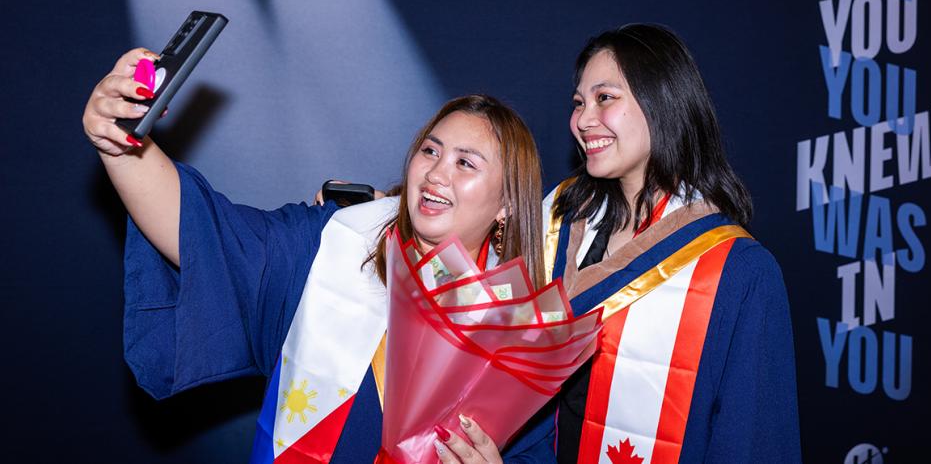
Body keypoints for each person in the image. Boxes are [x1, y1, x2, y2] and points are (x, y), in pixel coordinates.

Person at [82, 48, 553, 463]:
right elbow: (209, 232)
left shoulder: (519, 325)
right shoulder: (334, 241)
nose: (436, 173)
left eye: (465, 163)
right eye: (430, 151)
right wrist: (120, 146)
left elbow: (534, 455)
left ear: (507, 204)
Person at [525, 24, 802, 463]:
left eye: (605, 98)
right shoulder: (555, 220)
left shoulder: (735, 269)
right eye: (578, 102)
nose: (582, 120)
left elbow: (752, 444)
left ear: (662, 103)